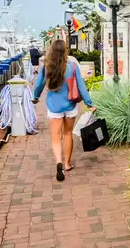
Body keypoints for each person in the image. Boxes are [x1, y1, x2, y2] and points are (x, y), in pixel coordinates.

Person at [32, 39, 95, 181]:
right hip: (70, 106)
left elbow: (38, 85)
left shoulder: (47, 66)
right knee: (67, 134)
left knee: (55, 138)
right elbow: (81, 86)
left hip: (54, 107)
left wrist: (35, 97)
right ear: (65, 51)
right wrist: (89, 104)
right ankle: (67, 164)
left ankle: (58, 162)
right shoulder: (72, 66)